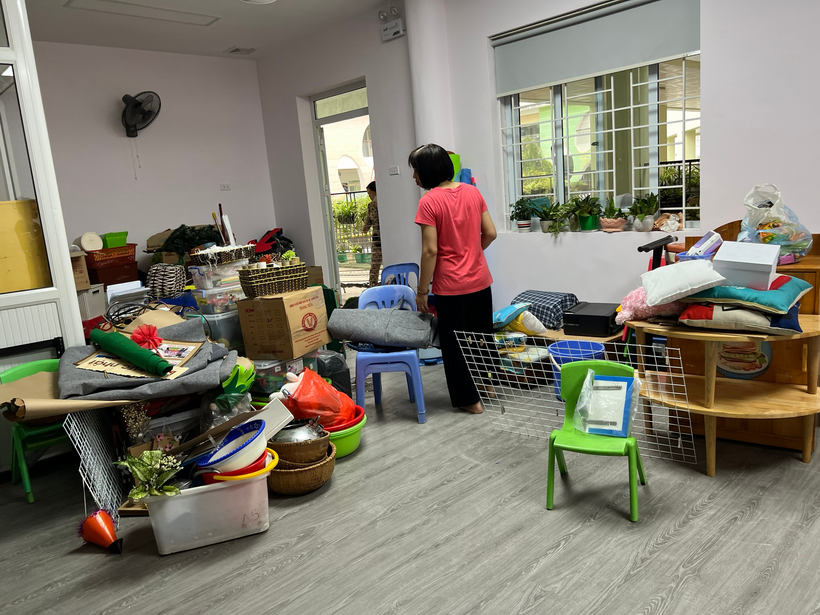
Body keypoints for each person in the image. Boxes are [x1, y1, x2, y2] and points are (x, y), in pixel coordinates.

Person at [410, 144, 497, 414]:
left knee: (455, 344)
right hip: (480, 281)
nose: (414, 176)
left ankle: (470, 401)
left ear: (427, 171)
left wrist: (421, 291)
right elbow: (491, 233)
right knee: (481, 336)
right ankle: (488, 386)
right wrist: (472, 252)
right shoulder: (473, 192)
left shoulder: (429, 201)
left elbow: (430, 250)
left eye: (416, 171)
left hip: (451, 287)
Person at [361, 181, 382, 287]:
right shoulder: (371, 206)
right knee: (375, 265)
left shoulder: (384, 203)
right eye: (368, 194)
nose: (369, 196)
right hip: (377, 239)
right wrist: (363, 230)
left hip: (385, 239)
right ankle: (373, 286)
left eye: (370, 193)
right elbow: (367, 224)